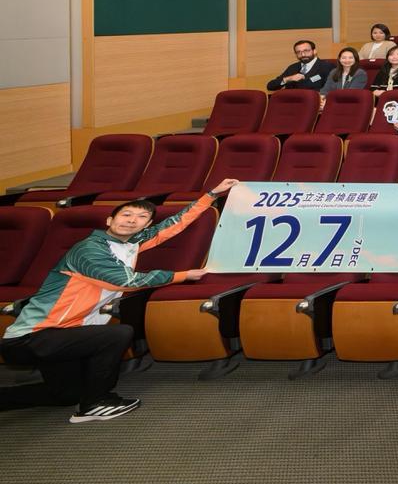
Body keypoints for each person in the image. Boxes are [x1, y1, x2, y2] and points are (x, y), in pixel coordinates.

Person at [0, 179, 241, 422]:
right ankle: (95, 403)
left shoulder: (130, 244)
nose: (132, 220)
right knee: (117, 334)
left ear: (147, 225)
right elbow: (126, 281)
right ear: (109, 220)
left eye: (141, 217)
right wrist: (182, 275)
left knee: (65, 394)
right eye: (126, 214)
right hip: (34, 336)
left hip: (64, 333)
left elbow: (175, 223)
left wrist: (212, 194)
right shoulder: (89, 250)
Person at [266, 39, 335, 92]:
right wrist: (288, 79)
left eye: (306, 51)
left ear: (314, 51)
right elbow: (270, 86)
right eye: (298, 52)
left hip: (314, 102)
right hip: (292, 102)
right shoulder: (293, 67)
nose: (303, 55)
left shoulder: (327, 67)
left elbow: (332, 89)